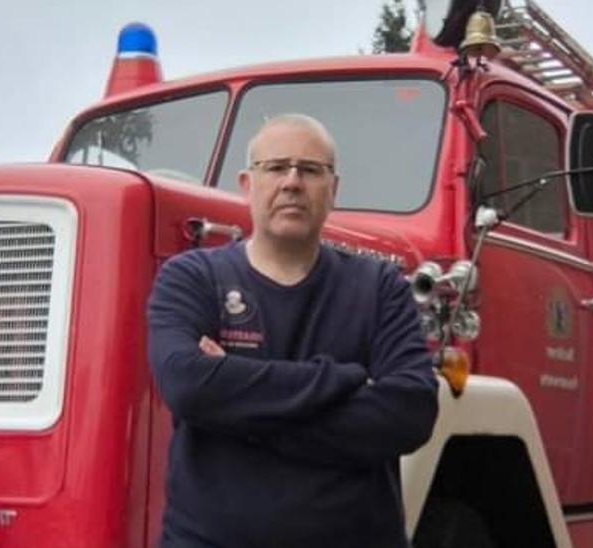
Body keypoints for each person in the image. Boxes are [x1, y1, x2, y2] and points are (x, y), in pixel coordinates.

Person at [146, 113, 439, 547]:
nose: (292, 182)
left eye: (311, 170)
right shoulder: (190, 277)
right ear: (247, 184)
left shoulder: (380, 287)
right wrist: (345, 378)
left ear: (333, 189)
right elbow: (187, 385)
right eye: (277, 167)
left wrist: (235, 399)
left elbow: (409, 414)